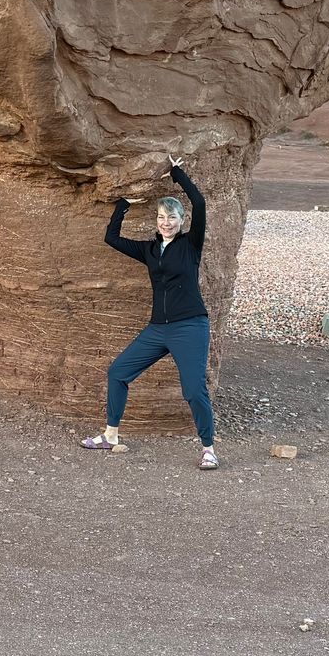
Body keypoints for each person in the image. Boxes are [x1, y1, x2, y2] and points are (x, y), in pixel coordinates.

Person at [81, 156, 219, 470]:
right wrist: (124, 204)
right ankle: (110, 435)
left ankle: (208, 448)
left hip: (190, 326)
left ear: (181, 220)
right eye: (161, 217)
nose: (165, 222)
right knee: (118, 372)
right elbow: (111, 239)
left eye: (171, 217)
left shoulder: (190, 245)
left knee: (193, 389)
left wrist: (177, 173)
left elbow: (198, 202)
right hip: (158, 329)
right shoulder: (149, 250)